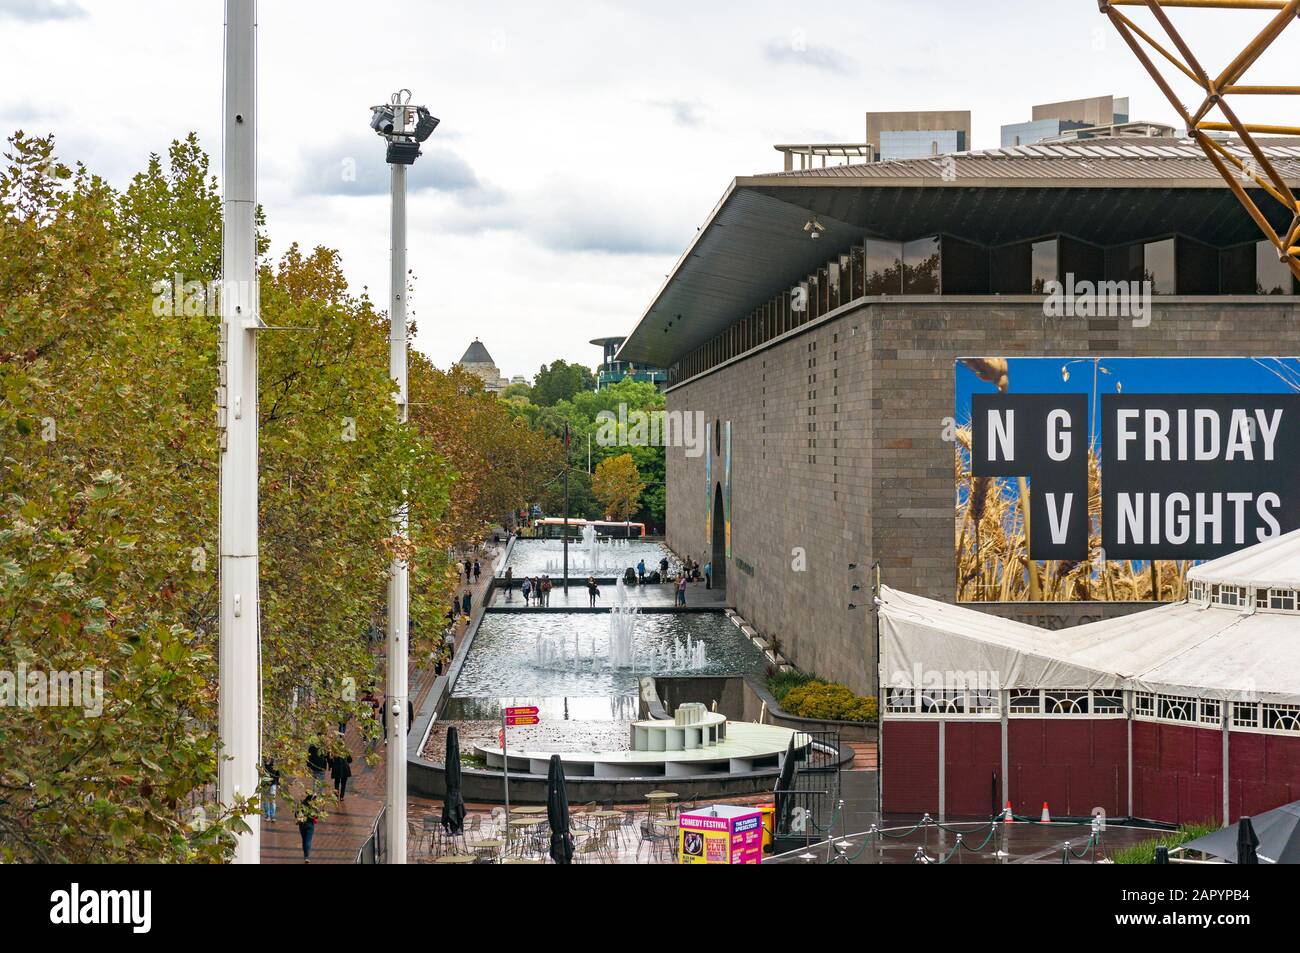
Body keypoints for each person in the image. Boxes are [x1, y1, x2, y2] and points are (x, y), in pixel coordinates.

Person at [297, 795, 320, 863]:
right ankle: (306, 856)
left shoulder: (301, 804)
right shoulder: (313, 807)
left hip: (302, 824)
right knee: (308, 840)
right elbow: (316, 816)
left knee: (304, 840)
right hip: (310, 825)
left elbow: (296, 814)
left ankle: (305, 856)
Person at [262, 758, 280, 823]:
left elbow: (278, 775)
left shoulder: (274, 766)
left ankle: (273, 816)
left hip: (273, 785)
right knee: (265, 801)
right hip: (265, 785)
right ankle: (267, 816)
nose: (267, 760)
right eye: (266, 759)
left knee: (272, 801)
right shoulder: (263, 767)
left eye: (269, 759)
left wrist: (278, 784)